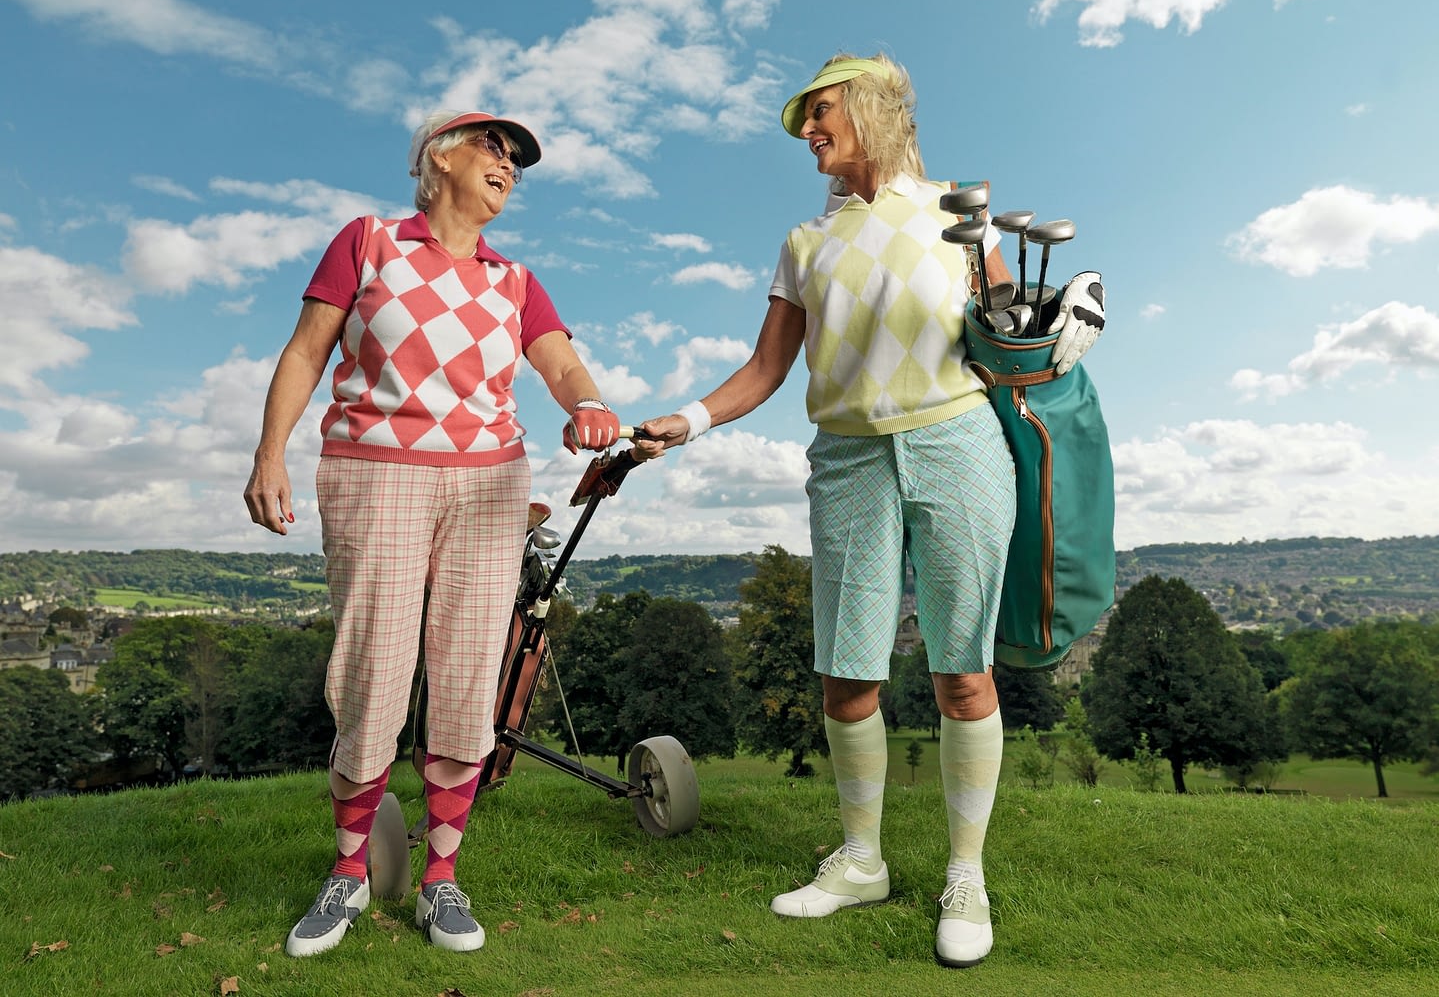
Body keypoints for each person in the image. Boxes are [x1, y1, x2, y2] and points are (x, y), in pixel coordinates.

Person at [637, 52, 1096, 968]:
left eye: (822, 111)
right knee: (847, 672)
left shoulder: (958, 212)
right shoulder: (803, 244)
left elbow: (1005, 335)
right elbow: (766, 371)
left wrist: (1052, 329)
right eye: (803, 118)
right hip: (847, 457)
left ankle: (964, 874)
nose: (807, 130)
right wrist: (683, 421)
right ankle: (861, 860)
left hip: (956, 442)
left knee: (961, 672)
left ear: (878, 109)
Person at [243, 110, 621, 957]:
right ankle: (347, 873)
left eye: (517, 158)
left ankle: (441, 879)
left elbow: (557, 358)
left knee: (463, 672)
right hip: (376, 472)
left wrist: (587, 404)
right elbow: (305, 352)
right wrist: (269, 454)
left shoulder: (514, 279)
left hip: (489, 481)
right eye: (493, 146)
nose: (509, 164)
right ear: (437, 158)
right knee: (374, 664)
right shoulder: (369, 240)